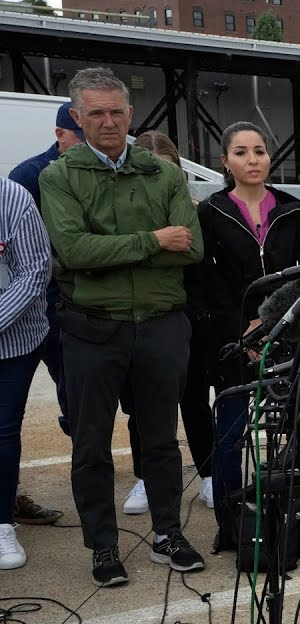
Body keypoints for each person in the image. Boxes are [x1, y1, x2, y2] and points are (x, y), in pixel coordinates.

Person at [39, 67, 205, 587]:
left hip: (161, 325)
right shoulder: (59, 177)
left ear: (130, 114)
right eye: (96, 113)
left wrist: (109, 251)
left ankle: (167, 533)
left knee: (160, 439)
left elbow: (192, 248)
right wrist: (154, 240)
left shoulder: (164, 174)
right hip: (93, 328)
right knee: (91, 444)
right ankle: (103, 546)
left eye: (116, 112)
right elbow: (73, 250)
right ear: (77, 117)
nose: (108, 122)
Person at [198, 121, 300, 549]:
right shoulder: (210, 212)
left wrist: (274, 321)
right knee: (231, 434)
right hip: (233, 341)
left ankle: (297, 519)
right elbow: (207, 283)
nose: (253, 160)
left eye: (260, 151)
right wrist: (244, 330)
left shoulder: (292, 210)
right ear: (225, 161)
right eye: (242, 152)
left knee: (298, 426)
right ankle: (231, 525)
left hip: (289, 334)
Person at [116, 130, 218, 518]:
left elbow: (201, 268)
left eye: (169, 169)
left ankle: (209, 474)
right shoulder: (122, 214)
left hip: (189, 321)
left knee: (195, 402)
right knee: (142, 408)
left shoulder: (197, 213)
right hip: (139, 320)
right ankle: (146, 476)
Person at [4, 101, 84, 525]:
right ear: (60, 134)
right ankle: (10, 495)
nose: (87, 143)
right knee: (7, 417)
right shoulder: (30, 175)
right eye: (79, 136)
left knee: (76, 393)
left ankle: (86, 474)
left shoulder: (92, 172)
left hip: (65, 304)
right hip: (37, 307)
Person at [0, 178, 52, 570]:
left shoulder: (13, 198)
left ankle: (3, 523)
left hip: (14, 341)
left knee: (3, 431)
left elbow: (35, 270)